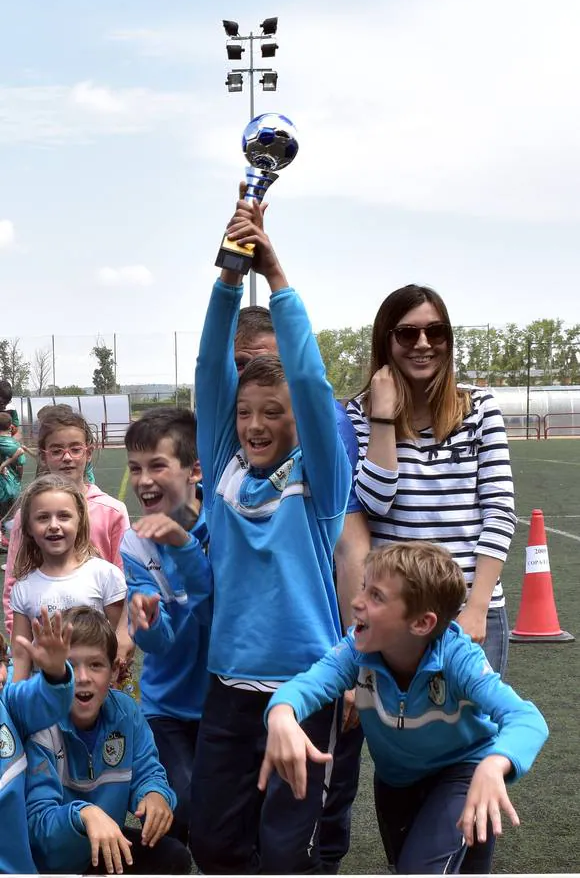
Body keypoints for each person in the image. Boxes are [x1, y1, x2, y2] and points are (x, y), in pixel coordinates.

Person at [189, 195, 351, 874]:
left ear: (297, 422)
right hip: (228, 686)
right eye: (246, 412)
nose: (255, 424)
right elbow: (207, 371)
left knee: (289, 853)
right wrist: (230, 275)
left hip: (306, 688)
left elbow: (310, 381)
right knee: (214, 843)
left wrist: (277, 275)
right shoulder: (225, 472)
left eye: (273, 413)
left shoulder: (319, 486)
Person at [259, 542, 549, 875]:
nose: (357, 601)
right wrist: (282, 713)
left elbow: (527, 718)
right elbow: (306, 685)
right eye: (364, 587)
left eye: (376, 596)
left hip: (464, 775)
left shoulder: (458, 658)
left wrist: (494, 764)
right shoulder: (356, 650)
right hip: (396, 782)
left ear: (422, 624)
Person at [234, 304, 368, 874]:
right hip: (245, 663)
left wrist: (349, 660)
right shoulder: (236, 434)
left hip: (321, 647)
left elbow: (345, 543)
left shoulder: (322, 427)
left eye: (266, 361)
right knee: (253, 816)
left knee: (309, 815)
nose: (253, 374)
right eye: (241, 365)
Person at [346, 285, 516, 675]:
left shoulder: (479, 409)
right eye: (407, 333)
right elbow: (375, 501)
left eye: (435, 332)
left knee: (475, 736)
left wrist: (475, 608)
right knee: (397, 734)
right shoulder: (358, 414)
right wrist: (384, 417)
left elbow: (500, 512)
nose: (423, 344)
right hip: (394, 614)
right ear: (386, 341)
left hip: (470, 613)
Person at [25, 606, 192, 875]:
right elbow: (37, 823)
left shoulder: (126, 713)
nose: (82, 678)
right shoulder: (40, 724)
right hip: (51, 863)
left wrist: (154, 794)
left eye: (95, 665)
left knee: (174, 857)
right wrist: (84, 815)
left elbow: (148, 771)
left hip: (105, 849)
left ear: (114, 671)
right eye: (69, 666)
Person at [122, 406, 212, 845]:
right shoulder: (134, 540)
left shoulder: (225, 520)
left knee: (231, 823)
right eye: (135, 468)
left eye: (157, 465)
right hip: (166, 707)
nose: (143, 480)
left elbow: (217, 614)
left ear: (195, 469)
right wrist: (146, 621)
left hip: (226, 698)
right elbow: (157, 645)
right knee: (184, 811)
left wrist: (184, 545)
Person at [3, 408, 132, 666]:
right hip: (45, 653)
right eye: (57, 450)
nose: (67, 458)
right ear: (43, 456)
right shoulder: (25, 515)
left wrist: (121, 635)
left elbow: (125, 580)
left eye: (75, 449)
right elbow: (13, 583)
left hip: (96, 651)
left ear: (88, 452)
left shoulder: (112, 511)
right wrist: (20, 640)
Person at [9, 474, 127, 681]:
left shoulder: (104, 575)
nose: (54, 525)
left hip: (95, 693)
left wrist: (115, 680)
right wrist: (17, 700)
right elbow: (21, 654)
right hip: (47, 697)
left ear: (80, 519)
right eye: (43, 517)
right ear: (28, 527)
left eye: (64, 516)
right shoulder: (24, 588)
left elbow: (121, 639)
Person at [0, 606, 74, 874]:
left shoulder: (8, 705)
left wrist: (55, 674)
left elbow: (46, 702)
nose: (1, 676)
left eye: (1, 662)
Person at [0, 410, 25, 531]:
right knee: (11, 516)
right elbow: (20, 465)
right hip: (12, 486)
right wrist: (19, 478)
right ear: (10, 427)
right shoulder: (15, 445)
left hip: (3, 487)